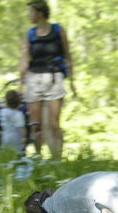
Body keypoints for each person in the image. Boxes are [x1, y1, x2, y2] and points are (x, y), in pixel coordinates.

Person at [19, 0, 75, 159]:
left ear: (40, 13)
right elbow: (24, 58)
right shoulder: (30, 34)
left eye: (31, 12)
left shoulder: (58, 30)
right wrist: (20, 83)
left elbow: (67, 55)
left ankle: (58, 160)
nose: (29, 15)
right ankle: (37, 159)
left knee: (54, 123)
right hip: (34, 79)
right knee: (36, 125)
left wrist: (71, 81)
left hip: (55, 78)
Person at [0, 90, 27, 155]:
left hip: (5, 136)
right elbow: (22, 128)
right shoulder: (18, 114)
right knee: (18, 154)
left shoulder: (3, 112)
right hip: (16, 137)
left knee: (8, 154)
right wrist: (24, 137)